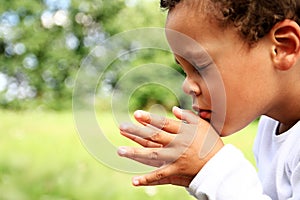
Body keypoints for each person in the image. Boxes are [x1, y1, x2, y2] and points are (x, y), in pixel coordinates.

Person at [117, 0, 300, 199]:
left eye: (201, 65)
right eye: (183, 68)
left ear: (283, 48)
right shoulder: (271, 125)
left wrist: (215, 170)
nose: (187, 86)